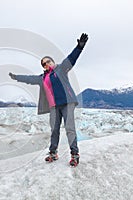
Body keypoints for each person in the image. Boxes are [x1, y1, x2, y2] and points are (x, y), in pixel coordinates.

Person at [9, 33, 88, 167]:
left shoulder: (61, 69)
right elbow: (29, 79)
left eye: (48, 61)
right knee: (54, 130)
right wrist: (16, 77)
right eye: (44, 64)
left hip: (67, 103)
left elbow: (71, 59)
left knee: (69, 128)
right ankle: (53, 153)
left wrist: (79, 47)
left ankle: (75, 155)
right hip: (54, 106)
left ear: (52, 61)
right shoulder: (42, 78)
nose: (46, 64)